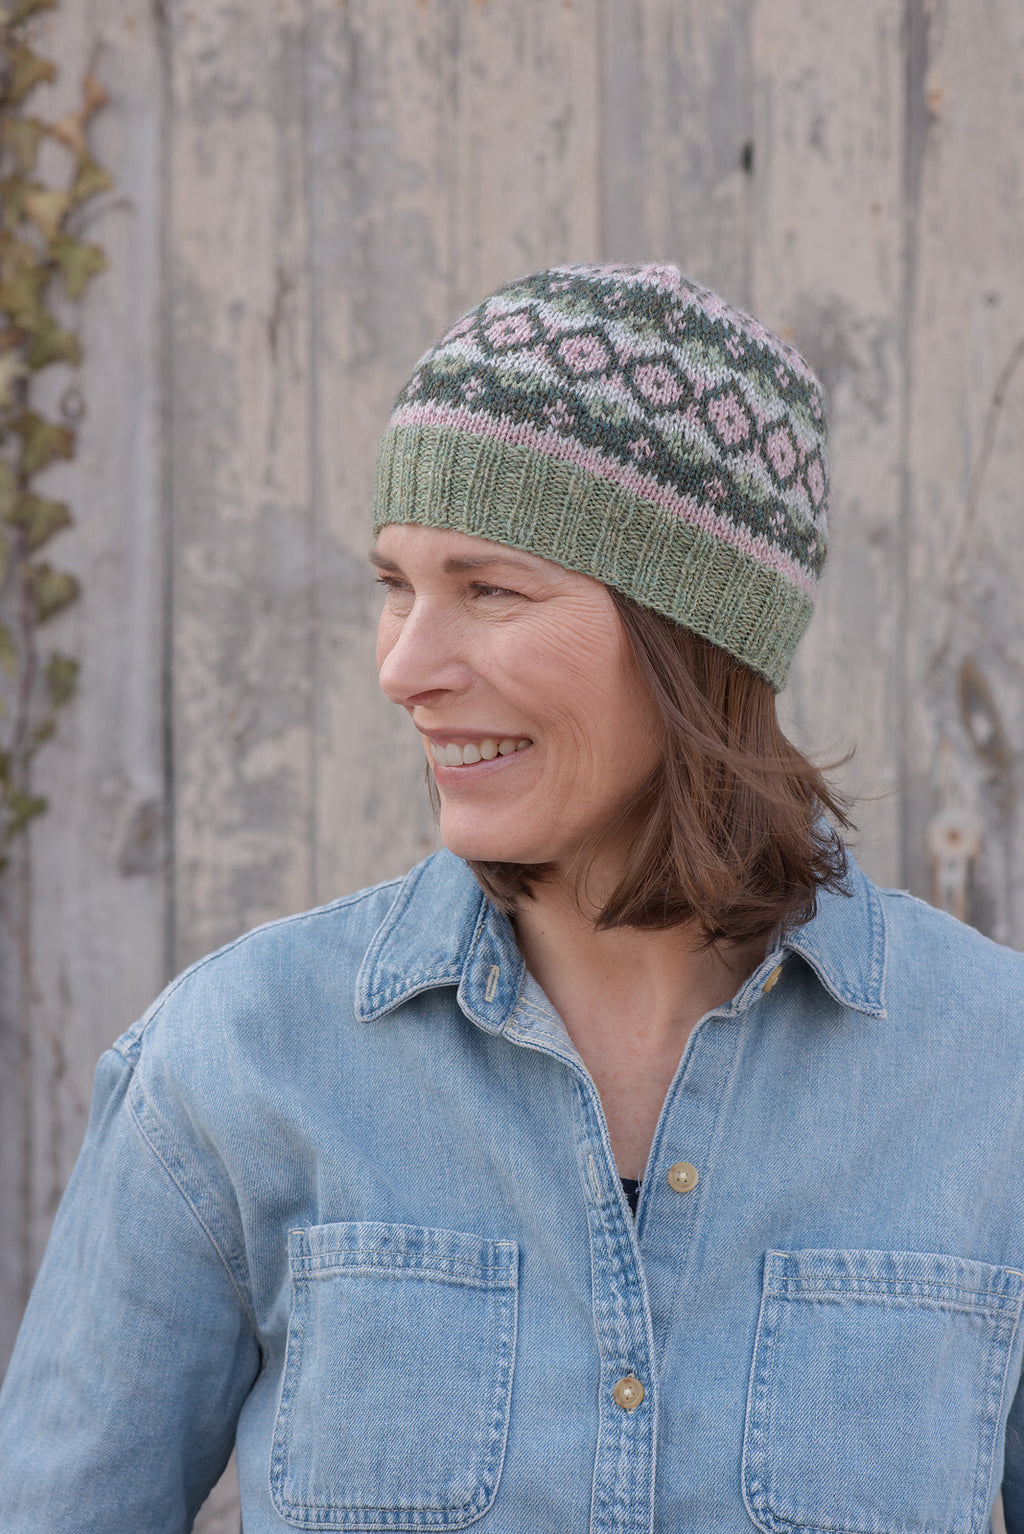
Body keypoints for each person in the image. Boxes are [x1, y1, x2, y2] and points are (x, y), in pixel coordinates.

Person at [1, 262, 1023, 1533]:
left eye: (488, 588)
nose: (403, 665)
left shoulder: (991, 1071)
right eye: (395, 584)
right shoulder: (236, 1063)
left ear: (697, 630)